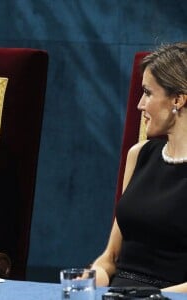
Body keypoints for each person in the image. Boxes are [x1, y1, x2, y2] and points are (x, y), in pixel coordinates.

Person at [90, 42, 187, 293]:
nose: (139, 105)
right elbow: (110, 258)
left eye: (148, 93)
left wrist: (151, 297)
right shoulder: (139, 155)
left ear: (178, 99)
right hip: (119, 293)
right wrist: (89, 281)